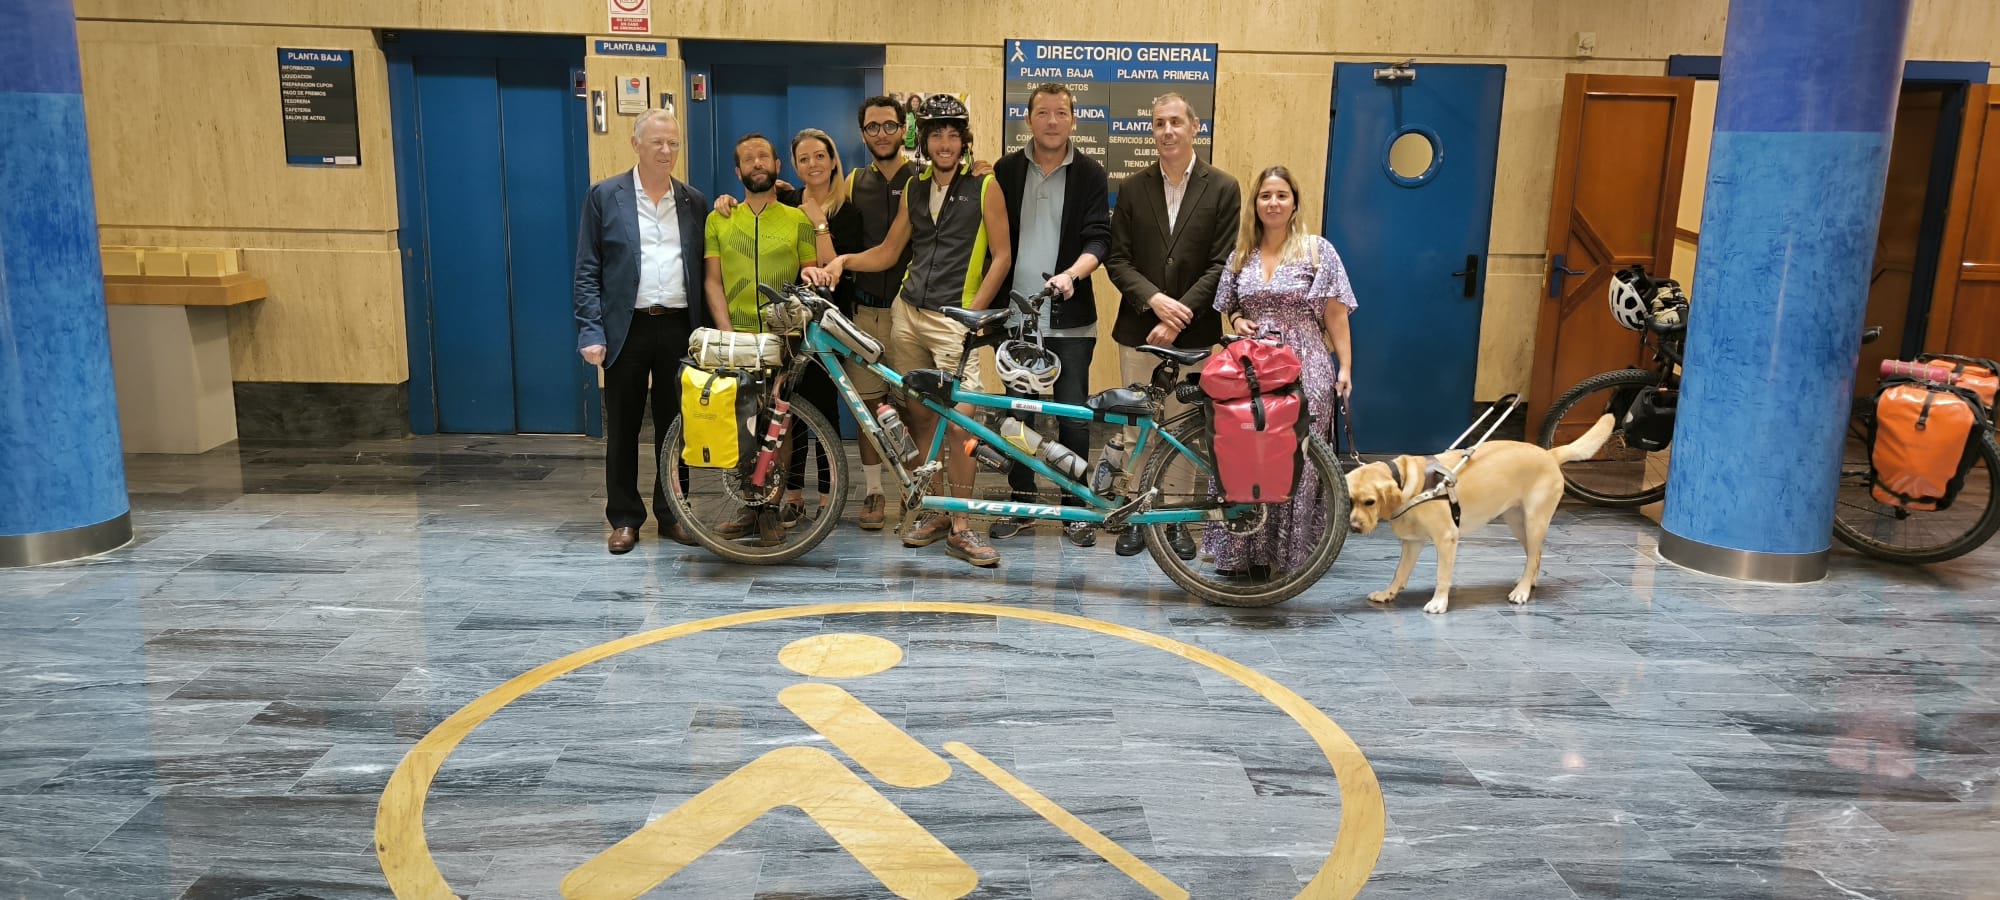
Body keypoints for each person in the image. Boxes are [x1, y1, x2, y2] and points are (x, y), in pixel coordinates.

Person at [810, 94, 1013, 568]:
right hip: (909, 314)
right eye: (936, 134)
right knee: (921, 417)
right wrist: (842, 260)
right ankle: (937, 509)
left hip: (954, 320)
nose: (945, 143)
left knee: (962, 421)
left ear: (964, 141)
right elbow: (888, 250)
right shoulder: (917, 187)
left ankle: (963, 524)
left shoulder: (986, 186)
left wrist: (974, 317)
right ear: (923, 139)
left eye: (953, 134)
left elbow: (1000, 257)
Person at [716, 101, 917, 531]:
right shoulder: (786, 198)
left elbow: (831, 272)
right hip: (793, 324)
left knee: (827, 408)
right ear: (791, 164)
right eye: (804, 157)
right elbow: (754, 202)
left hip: (837, 318)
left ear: (833, 160)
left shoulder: (849, 203)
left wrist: (818, 223)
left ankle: (831, 496)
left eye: (820, 156)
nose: (813, 163)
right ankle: (789, 497)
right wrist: (725, 200)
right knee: (788, 410)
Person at [1104, 92, 1241, 557]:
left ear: (1194, 128)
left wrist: (1179, 315)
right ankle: (1135, 518)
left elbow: (1222, 264)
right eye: (1159, 122)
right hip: (1139, 331)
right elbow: (1117, 260)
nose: (1167, 131)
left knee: (1186, 429)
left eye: (1175, 122)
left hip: (1196, 334)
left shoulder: (1223, 187)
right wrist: (1156, 302)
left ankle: (1178, 519)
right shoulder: (1131, 186)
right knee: (1139, 426)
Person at [1205, 165, 1356, 577]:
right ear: (1255, 204)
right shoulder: (1241, 255)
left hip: (1306, 363)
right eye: (1265, 196)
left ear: (1294, 203)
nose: (1273, 203)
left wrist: (1345, 367)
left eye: (1281, 195)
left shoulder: (1317, 250)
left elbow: (1336, 313)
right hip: (1252, 367)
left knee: (1297, 460)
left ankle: (1285, 555)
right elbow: (1230, 305)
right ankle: (1239, 553)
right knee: (1245, 451)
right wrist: (1237, 322)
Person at [574, 108, 709, 555]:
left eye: (673, 143)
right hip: (625, 329)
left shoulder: (693, 201)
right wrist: (590, 330)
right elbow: (588, 269)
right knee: (625, 427)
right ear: (636, 144)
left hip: (678, 327)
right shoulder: (604, 196)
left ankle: (673, 513)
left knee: (677, 428)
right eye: (657, 143)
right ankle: (626, 518)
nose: (666, 151)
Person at [988, 83, 1111, 545]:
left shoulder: (1091, 174)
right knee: (1019, 416)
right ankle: (1022, 503)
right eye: (1043, 112)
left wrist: (1072, 275)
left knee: (1073, 416)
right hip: (1017, 319)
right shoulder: (1005, 170)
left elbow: (1100, 239)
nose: (1053, 121)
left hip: (1071, 318)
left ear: (1073, 120)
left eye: (1062, 112)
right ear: (1028, 119)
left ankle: (1074, 508)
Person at [702, 133, 820, 541]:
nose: (756, 163)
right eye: (748, 158)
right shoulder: (719, 218)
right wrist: (727, 332)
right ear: (737, 171)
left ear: (776, 167)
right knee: (742, 423)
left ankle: (769, 507)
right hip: (736, 335)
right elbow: (712, 281)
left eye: (763, 157)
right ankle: (748, 506)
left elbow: (810, 274)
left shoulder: (798, 220)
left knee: (778, 423)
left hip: (781, 336)